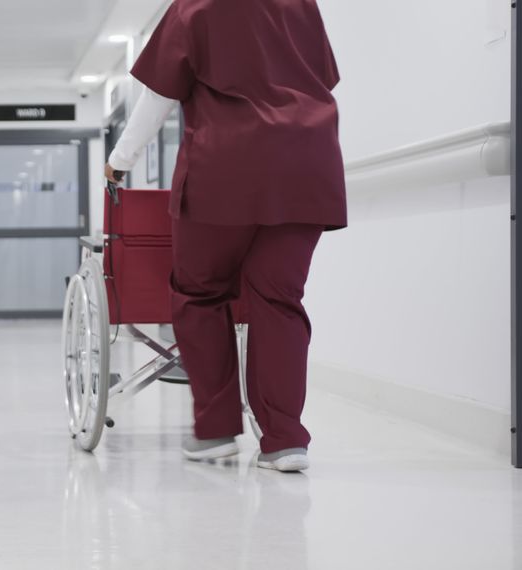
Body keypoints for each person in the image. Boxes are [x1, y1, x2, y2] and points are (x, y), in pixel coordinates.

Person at [106, 0, 346, 472]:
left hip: (227, 167)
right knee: (279, 300)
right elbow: (322, 79)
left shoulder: (195, 7)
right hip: (307, 165)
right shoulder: (302, 5)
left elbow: (158, 95)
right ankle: (284, 441)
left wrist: (120, 161)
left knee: (199, 292)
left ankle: (215, 432)